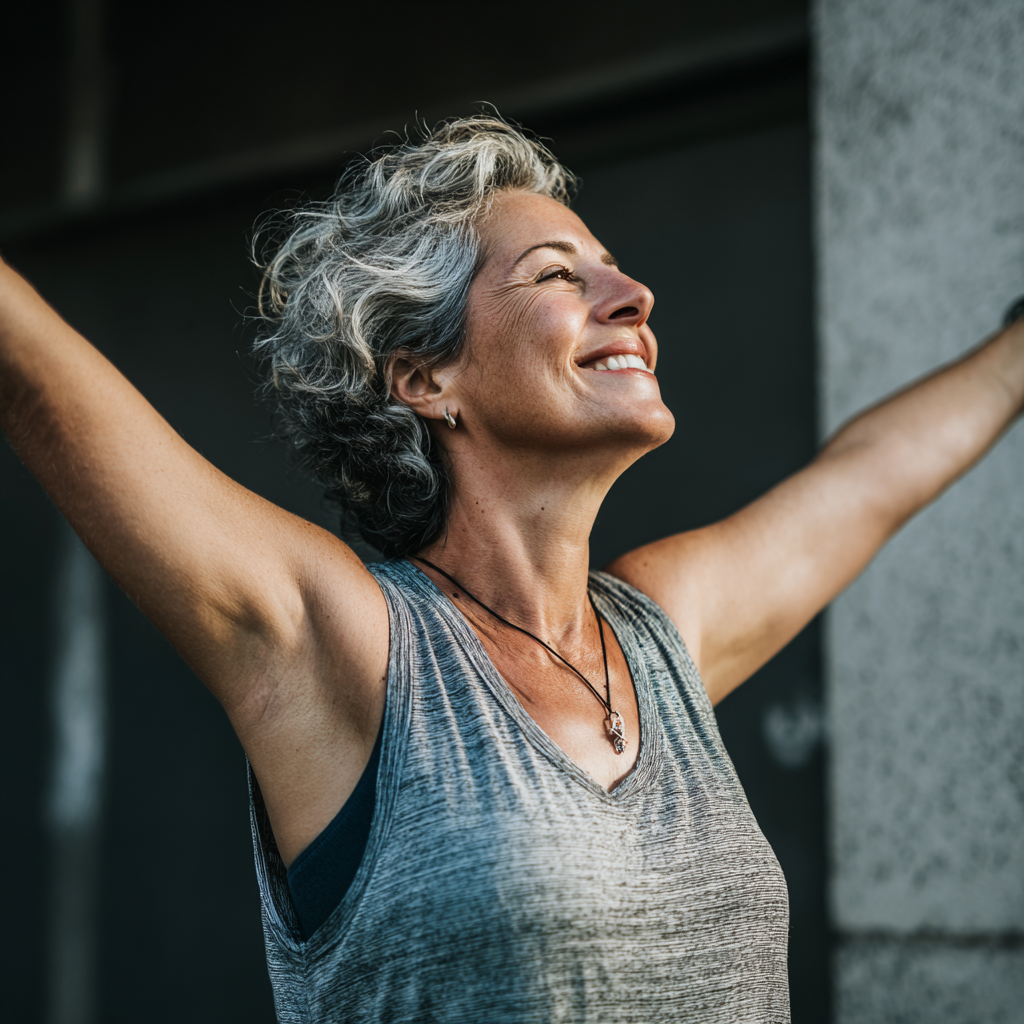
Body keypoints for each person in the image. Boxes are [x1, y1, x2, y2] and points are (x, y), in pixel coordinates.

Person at [1, 115, 1021, 1023]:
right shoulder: (351, 650)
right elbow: (35, 375)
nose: (631, 296)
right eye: (556, 275)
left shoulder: (660, 633)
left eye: (613, 268)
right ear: (425, 376)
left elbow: (871, 477)